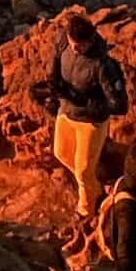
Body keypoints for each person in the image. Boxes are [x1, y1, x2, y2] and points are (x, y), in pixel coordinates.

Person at [51, 12, 125, 215]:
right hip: (66, 111)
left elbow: (119, 105)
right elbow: (56, 65)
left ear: (91, 40)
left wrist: (88, 103)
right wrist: (54, 87)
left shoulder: (102, 65)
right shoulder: (63, 41)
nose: (76, 49)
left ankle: (86, 209)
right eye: (73, 43)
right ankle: (95, 187)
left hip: (91, 122)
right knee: (60, 153)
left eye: (81, 46)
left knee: (83, 170)